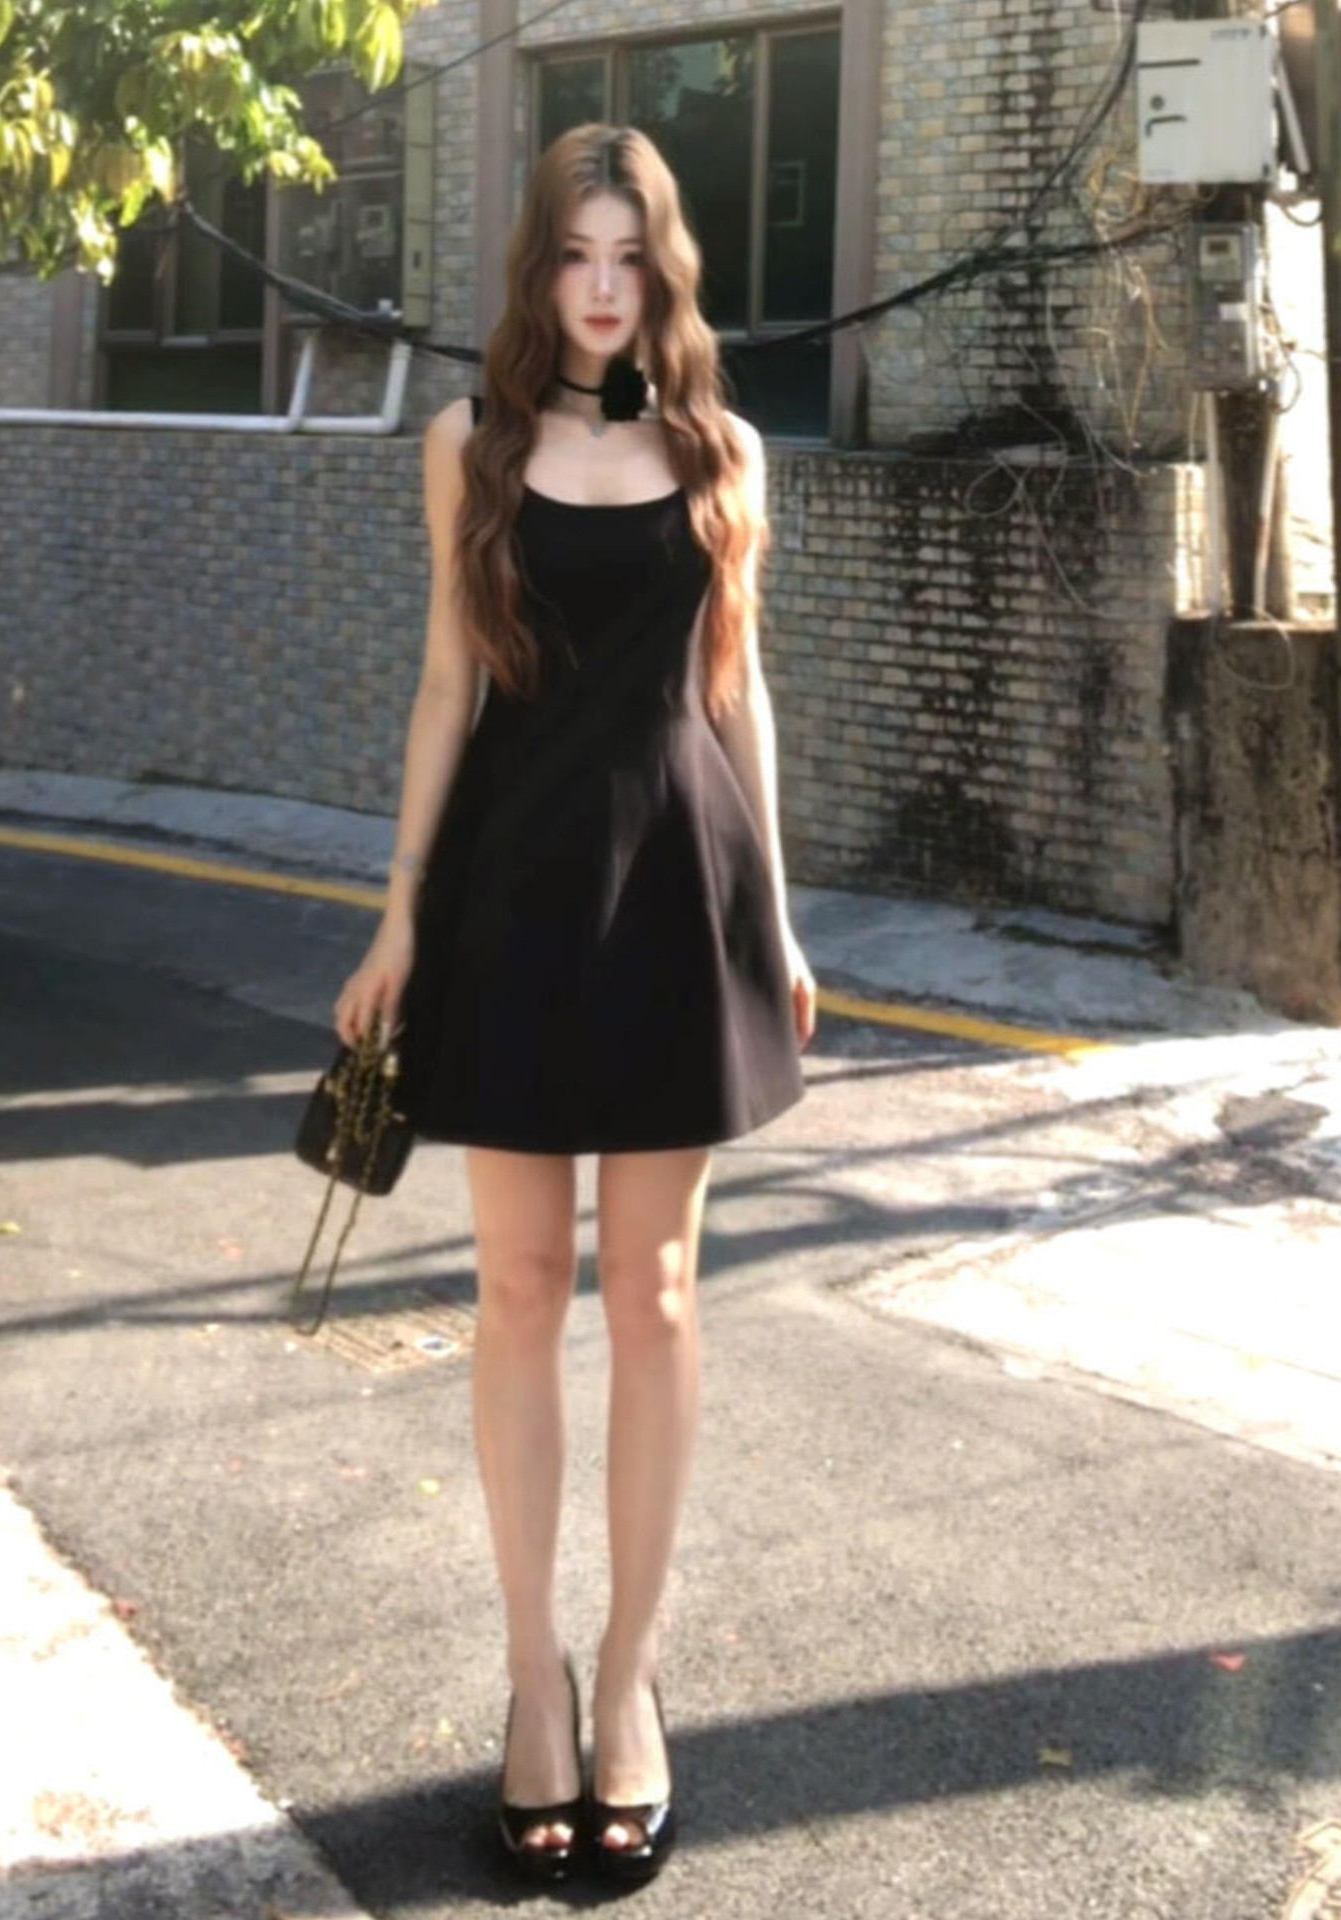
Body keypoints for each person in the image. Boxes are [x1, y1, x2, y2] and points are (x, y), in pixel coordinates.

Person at [332, 121, 816, 1886]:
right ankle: (531, 1674)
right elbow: (446, 683)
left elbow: (737, 688)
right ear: (537, 266)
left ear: (664, 270)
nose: (602, 289)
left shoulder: (723, 449)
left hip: (682, 884)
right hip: (514, 893)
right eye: (574, 254)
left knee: (658, 1294)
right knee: (522, 1288)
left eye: (631, 257)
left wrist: (782, 912)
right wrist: (398, 910)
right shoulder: (468, 443)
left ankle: (627, 1681)